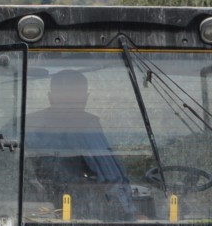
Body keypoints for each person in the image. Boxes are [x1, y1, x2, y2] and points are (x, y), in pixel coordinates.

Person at [24, 69, 132, 218]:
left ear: (50, 97)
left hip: (27, 212)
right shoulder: (86, 125)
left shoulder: (23, 124)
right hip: (77, 211)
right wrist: (130, 213)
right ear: (85, 98)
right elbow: (110, 177)